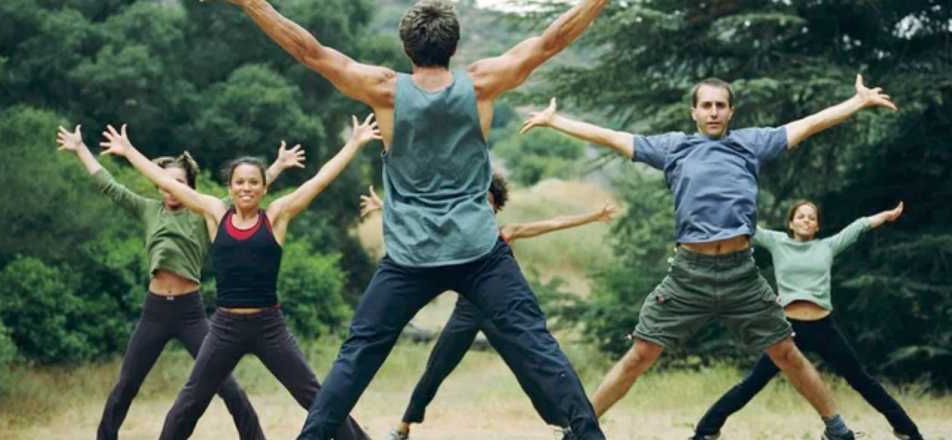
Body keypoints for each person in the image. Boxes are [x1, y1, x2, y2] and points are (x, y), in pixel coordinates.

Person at [214, 0, 610, 437]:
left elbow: (311, 51)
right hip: (478, 250)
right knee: (537, 344)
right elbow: (551, 40)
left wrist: (250, 3)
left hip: (409, 256)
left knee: (358, 354)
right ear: (454, 46)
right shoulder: (481, 84)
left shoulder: (385, 90)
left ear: (407, 49)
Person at [520, 74, 898, 440]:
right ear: (694, 112)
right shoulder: (673, 148)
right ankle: (581, 431)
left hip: (741, 274)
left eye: (721, 106)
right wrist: (556, 122)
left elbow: (807, 124)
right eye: (707, 106)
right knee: (641, 353)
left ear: (731, 112)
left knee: (786, 352)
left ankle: (837, 429)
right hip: (688, 274)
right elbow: (615, 138)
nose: (714, 112)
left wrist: (858, 101)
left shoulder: (751, 143)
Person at [94, 115, 379, 440]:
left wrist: (353, 143)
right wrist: (129, 151)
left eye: (253, 182)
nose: (246, 188)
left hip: (269, 327)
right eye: (240, 182)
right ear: (230, 187)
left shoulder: (276, 215)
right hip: (225, 328)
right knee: (189, 403)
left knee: (317, 396)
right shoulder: (216, 213)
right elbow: (170, 184)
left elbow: (318, 182)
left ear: (264, 187)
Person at [58, 125, 304, 440]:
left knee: (228, 387)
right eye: (165, 184)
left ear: (188, 187)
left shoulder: (204, 213)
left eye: (178, 184)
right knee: (126, 384)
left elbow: (246, 189)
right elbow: (109, 185)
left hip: (191, 312)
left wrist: (279, 165)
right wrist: (81, 149)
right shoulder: (147, 210)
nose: (170, 190)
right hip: (155, 311)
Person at [356, 177, 616, 440]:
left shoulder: (505, 232)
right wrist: (383, 206)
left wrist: (593, 216)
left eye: (490, 202)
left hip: (499, 316)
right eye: (479, 201)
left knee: (530, 372)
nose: (485, 206)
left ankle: (567, 425)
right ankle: (403, 427)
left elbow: (552, 223)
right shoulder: (459, 233)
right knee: (436, 368)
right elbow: (425, 220)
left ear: (496, 206)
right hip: (465, 314)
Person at [692, 200, 924, 440]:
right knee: (753, 382)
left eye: (811, 218)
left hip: (823, 327)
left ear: (817, 227)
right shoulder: (777, 241)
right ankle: (705, 431)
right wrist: (713, 204)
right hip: (786, 330)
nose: (806, 220)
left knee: (861, 380)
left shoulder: (828, 246)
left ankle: (909, 432)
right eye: (801, 216)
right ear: (791, 223)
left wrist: (885, 215)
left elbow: (858, 227)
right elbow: (744, 226)